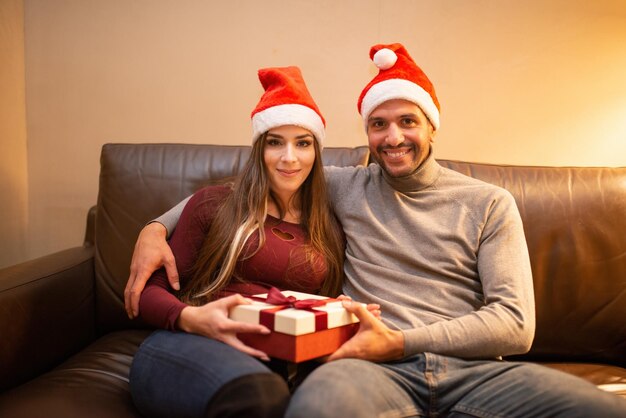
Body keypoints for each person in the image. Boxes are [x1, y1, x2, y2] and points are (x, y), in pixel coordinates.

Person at [126, 44, 626, 417]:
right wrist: (154, 228)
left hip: (476, 373)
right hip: (364, 370)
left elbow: (516, 326)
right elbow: (241, 191)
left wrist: (400, 341)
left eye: (407, 121)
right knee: (314, 410)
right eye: (378, 125)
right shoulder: (343, 185)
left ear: (431, 126)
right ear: (366, 134)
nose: (393, 138)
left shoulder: (489, 203)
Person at [128, 65, 379, 418]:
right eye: (275, 142)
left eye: (302, 143)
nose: (289, 158)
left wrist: (339, 315)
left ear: (315, 153)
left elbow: (317, 305)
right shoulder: (215, 205)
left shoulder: (328, 228)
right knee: (259, 397)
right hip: (187, 344)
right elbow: (146, 295)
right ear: (259, 149)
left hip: (275, 361)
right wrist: (190, 318)